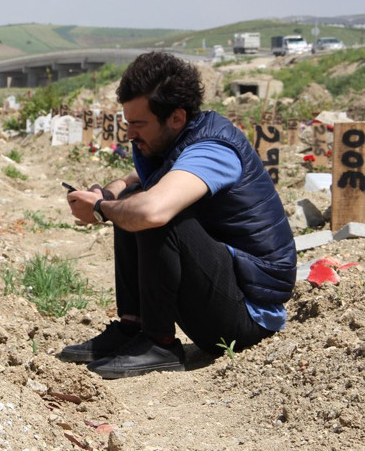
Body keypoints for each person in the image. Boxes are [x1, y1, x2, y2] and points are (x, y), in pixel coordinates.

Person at [59, 51, 296, 379]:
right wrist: (109, 194)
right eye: (128, 123)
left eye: (138, 124)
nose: (129, 134)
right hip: (226, 290)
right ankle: (133, 327)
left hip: (248, 316)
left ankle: (159, 342)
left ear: (176, 118)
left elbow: (154, 210)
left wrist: (100, 210)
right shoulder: (176, 140)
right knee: (131, 200)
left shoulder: (212, 149)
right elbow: (135, 180)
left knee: (153, 211)